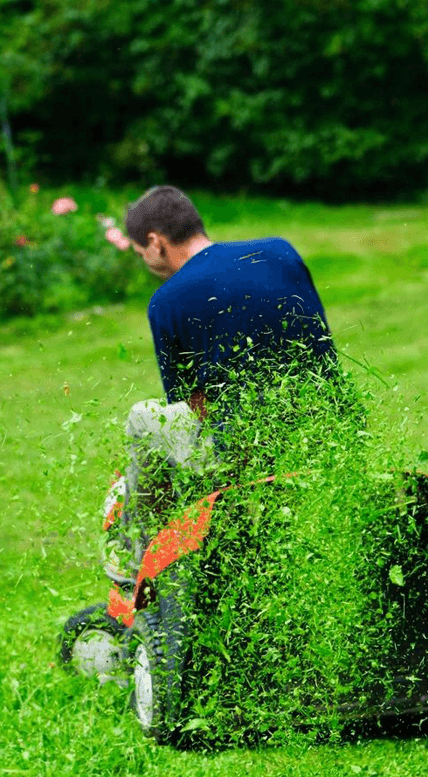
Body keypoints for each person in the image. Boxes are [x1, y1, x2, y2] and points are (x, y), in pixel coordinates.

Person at [101, 185, 339, 583]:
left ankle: (137, 557)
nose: (144, 260)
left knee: (144, 417)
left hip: (250, 456)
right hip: (329, 430)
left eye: (140, 251)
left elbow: (195, 408)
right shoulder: (281, 252)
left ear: (156, 243)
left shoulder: (166, 301)